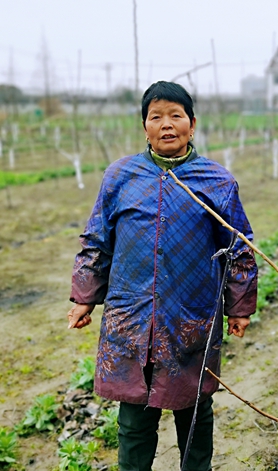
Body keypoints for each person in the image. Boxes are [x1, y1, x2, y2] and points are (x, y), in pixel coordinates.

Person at [68, 80, 258, 471]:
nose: (166, 124)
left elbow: (239, 246)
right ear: (144, 126)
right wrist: (85, 295)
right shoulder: (120, 177)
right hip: (132, 317)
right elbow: (97, 238)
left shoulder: (216, 181)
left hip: (190, 317)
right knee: (134, 418)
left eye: (176, 115)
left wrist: (239, 306)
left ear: (192, 124)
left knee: (193, 414)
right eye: (156, 117)